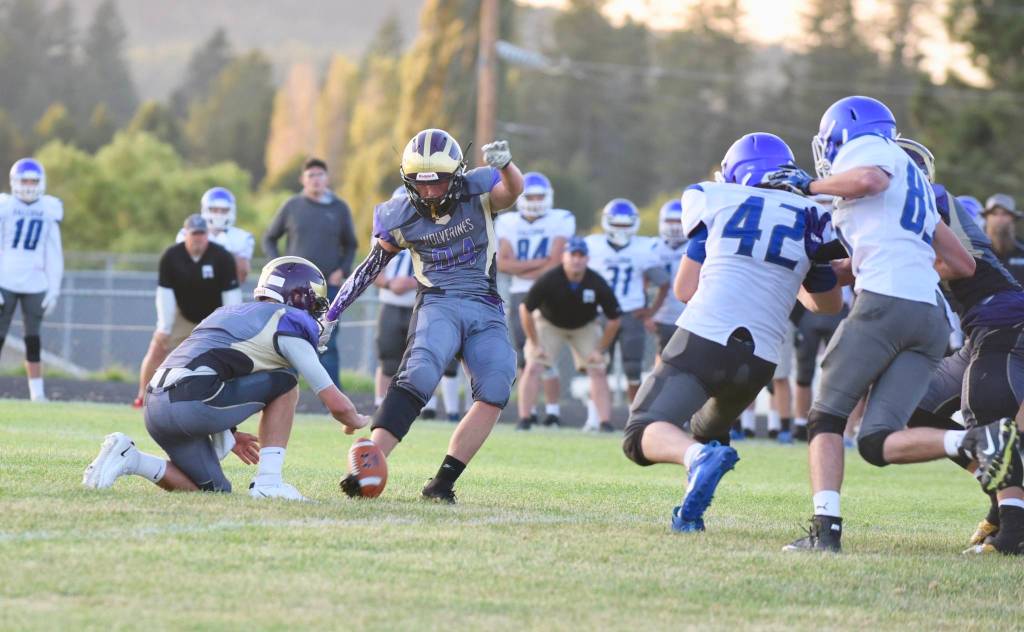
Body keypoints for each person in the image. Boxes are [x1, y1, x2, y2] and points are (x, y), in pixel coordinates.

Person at [764, 96, 987, 553]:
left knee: (826, 417)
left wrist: (808, 186)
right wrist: (863, 263)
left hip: (886, 301)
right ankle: (978, 440)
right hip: (928, 316)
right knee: (877, 441)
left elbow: (867, 179)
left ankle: (825, 533)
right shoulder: (918, 185)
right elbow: (962, 263)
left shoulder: (869, 152)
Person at [621, 132, 843, 533]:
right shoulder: (812, 214)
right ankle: (691, 512)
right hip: (759, 360)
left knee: (642, 432)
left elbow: (685, 290)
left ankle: (695, 460)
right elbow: (827, 305)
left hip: (704, 339)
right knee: (706, 430)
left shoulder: (716, 199)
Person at [324, 129, 523, 503]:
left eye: (439, 182)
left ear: (457, 174)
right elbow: (369, 268)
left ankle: (443, 482)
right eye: (420, 183)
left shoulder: (477, 192)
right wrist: (333, 313)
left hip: (484, 302)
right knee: (420, 373)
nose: (430, 192)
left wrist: (507, 166)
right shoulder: (398, 213)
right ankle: (368, 464)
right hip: (439, 301)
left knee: (496, 386)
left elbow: (512, 192)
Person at [84, 257, 370, 498]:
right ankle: (269, 482)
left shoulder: (228, 313)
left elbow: (215, 366)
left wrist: (229, 433)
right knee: (286, 380)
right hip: (193, 402)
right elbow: (336, 404)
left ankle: (130, 458)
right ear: (300, 294)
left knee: (214, 491)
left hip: (156, 405)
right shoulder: (285, 320)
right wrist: (357, 419)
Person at [895, 137, 1024, 555]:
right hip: (979, 330)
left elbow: (957, 264)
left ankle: (1014, 532)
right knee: (908, 406)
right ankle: (997, 495)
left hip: (1004, 319)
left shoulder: (926, 197)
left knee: (985, 414)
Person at [263, 158, 358, 388]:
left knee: (328, 340)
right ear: (302, 180)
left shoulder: (339, 208)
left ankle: (332, 398)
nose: (316, 179)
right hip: (294, 288)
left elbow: (352, 244)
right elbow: (269, 238)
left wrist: (342, 270)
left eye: (320, 174)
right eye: (311, 175)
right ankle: (284, 392)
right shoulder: (292, 206)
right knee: (289, 337)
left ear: (327, 178)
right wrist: (278, 266)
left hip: (328, 287)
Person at [134, 215, 241, 407]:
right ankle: (142, 397)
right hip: (182, 314)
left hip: (213, 316)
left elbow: (231, 295)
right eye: (195, 234)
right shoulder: (171, 256)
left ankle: (232, 399)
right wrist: (164, 327)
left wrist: (229, 325)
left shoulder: (222, 257)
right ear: (186, 235)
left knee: (229, 355)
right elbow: (164, 294)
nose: (198, 238)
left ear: (207, 235)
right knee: (158, 346)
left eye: (202, 233)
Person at [495, 171, 575, 428]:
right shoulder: (507, 222)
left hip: (551, 292)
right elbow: (502, 264)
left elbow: (555, 264)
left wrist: (522, 266)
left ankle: (552, 412)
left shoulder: (561, 219)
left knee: (546, 356)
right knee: (523, 356)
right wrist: (539, 264)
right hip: (520, 292)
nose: (536, 200)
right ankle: (527, 412)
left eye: (540, 195)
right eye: (531, 195)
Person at [517, 237, 621, 432]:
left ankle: (605, 422)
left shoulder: (596, 281)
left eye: (581, 255)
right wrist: (534, 342)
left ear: (587, 259)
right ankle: (524, 419)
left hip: (584, 326)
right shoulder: (550, 278)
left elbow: (615, 318)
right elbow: (525, 309)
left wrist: (600, 349)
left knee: (598, 369)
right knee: (533, 367)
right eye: (573, 254)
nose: (577, 259)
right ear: (564, 257)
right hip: (549, 324)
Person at [585, 199, 670, 403]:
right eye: (617, 224)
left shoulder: (643, 248)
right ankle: (598, 418)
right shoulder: (593, 245)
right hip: (602, 314)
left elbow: (664, 283)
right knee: (598, 366)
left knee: (633, 368)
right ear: (607, 222)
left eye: (625, 225)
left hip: (631, 313)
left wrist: (651, 311)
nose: (621, 230)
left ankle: (634, 416)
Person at [0, 158, 64, 402]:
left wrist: (54, 289)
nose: (28, 185)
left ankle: (37, 394)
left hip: (36, 281)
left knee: (32, 338)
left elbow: (54, 254)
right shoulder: (5, 206)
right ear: (14, 182)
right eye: (24, 180)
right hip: (5, 279)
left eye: (32, 180)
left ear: (41, 182)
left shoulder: (48, 209)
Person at [374, 186, 439, 416]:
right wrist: (390, 284)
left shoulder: (431, 232)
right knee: (388, 357)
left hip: (420, 305)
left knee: (423, 357)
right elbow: (372, 271)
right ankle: (380, 402)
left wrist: (412, 283)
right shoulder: (383, 234)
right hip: (391, 303)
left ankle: (427, 406)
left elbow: (438, 269)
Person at [176, 187, 255, 283]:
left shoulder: (243, 237)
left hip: (227, 288)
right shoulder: (187, 233)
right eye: (214, 210)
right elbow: (183, 267)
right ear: (205, 209)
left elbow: (242, 275)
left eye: (224, 210)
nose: (219, 214)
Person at [649, 199, 688, 364]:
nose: (674, 226)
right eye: (670, 221)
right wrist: (649, 314)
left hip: (690, 315)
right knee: (663, 358)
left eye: (679, 221)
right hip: (663, 316)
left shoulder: (698, 244)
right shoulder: (652, 247)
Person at [981, 193, 1024, 286]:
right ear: (986, 218)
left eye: (1004, 214)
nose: (999, 219)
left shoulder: (1022, 251)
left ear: (1013, 218)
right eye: (994, 214)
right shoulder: (977, 252)